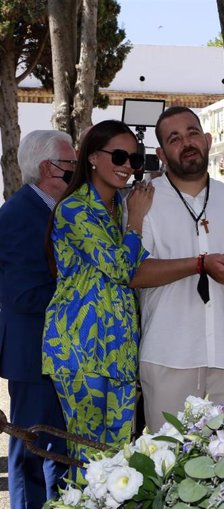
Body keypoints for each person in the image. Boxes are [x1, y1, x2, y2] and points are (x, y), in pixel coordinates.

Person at [131, 106, 224, 433]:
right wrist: (200, 265)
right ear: (162, 153)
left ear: (207, 140)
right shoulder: (145, 200)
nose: (187, 143)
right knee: (165, 462)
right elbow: (135, 273)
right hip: (168, 352)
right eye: (175, 139)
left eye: (193, 133)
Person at [42, 120, 153, 476]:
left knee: (117, 457)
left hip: (120, 347)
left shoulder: (120, 208)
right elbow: (121, 267)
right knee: (87, 455)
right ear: (91, 157)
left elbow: (143, 266)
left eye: (135, 159)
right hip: (78, 349)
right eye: (119, 155)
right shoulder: (74, 209)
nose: (128, 166)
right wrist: (136, 222)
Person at [0, 131, 71, 509]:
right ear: (48, 168)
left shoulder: (46, 208)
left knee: (55, 447)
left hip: (52, 349)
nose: (78, 173)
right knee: (31, 448)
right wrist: (79, 298)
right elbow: (22, 294)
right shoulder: (19, 214)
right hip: (32, 351)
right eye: (71, 166)